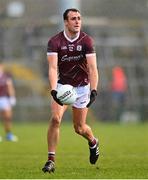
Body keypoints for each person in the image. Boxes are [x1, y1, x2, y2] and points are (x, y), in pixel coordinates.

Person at [42, 8, 99, 173]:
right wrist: (53, 90)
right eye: (73, 18)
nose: (77, 21)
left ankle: (93, 142)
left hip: (82, 88)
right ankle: (51, 160)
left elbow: (93, 69)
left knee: (79, 128)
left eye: (79, 18)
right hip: (63, 87)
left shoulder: (87, 41)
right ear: (66, 22)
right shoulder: (55, 42)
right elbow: (52, 68)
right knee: (55, 119)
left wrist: (93, 90)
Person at [0, 63, 18, 142]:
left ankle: (9, 134)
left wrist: (12, 97)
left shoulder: (6, 76)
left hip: (4, 98)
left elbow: (10, 87)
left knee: (7, 117)